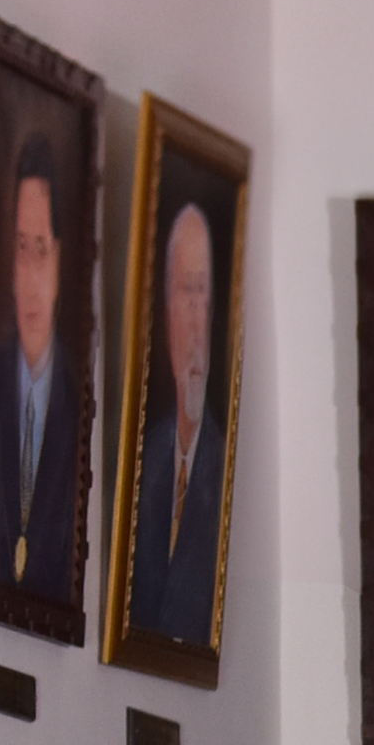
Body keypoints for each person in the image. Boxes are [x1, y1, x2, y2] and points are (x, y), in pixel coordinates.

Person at [0, 136, 78, 601]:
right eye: (21, 249)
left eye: (42, 251)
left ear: (61, 260)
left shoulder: (79, 407)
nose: (30, 277)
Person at [123, 193, 224, 653]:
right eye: (188, 292)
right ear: (165, 317)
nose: (198, 321)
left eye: (207, 297)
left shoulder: (227, 474)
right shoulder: (142, 462)